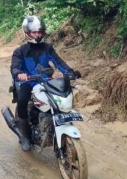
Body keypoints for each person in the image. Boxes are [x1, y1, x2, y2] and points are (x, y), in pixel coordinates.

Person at [10, 15, 80, 151]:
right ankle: (24, 136)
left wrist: (69, 72)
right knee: (23, 100)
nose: (37, 35)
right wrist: (19, 74)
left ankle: (54, 126)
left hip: (45, 80)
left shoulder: (47, 47)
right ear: (27, 33)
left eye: (40, 32)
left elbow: (58, 61)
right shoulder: (20, 50)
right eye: (34, 32)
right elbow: (14, 66)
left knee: (59, 98)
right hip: (28, 82)